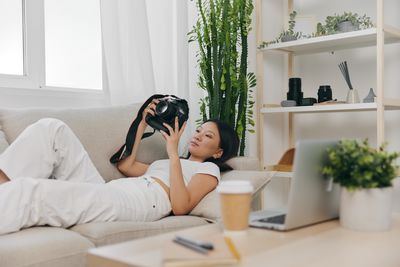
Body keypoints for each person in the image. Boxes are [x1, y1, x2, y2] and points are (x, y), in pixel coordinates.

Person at [0, 100, 239, 235]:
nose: (198, 136)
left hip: (137, 202)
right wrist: (142, 121)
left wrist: (174, 154)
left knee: (31, 191)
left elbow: (180, 206)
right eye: (198, 130)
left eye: (207, 136)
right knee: (52, 129)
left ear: (218, 152)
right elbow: (126, 165)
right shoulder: (165, 163)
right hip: (111, 190)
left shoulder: (208, 171)